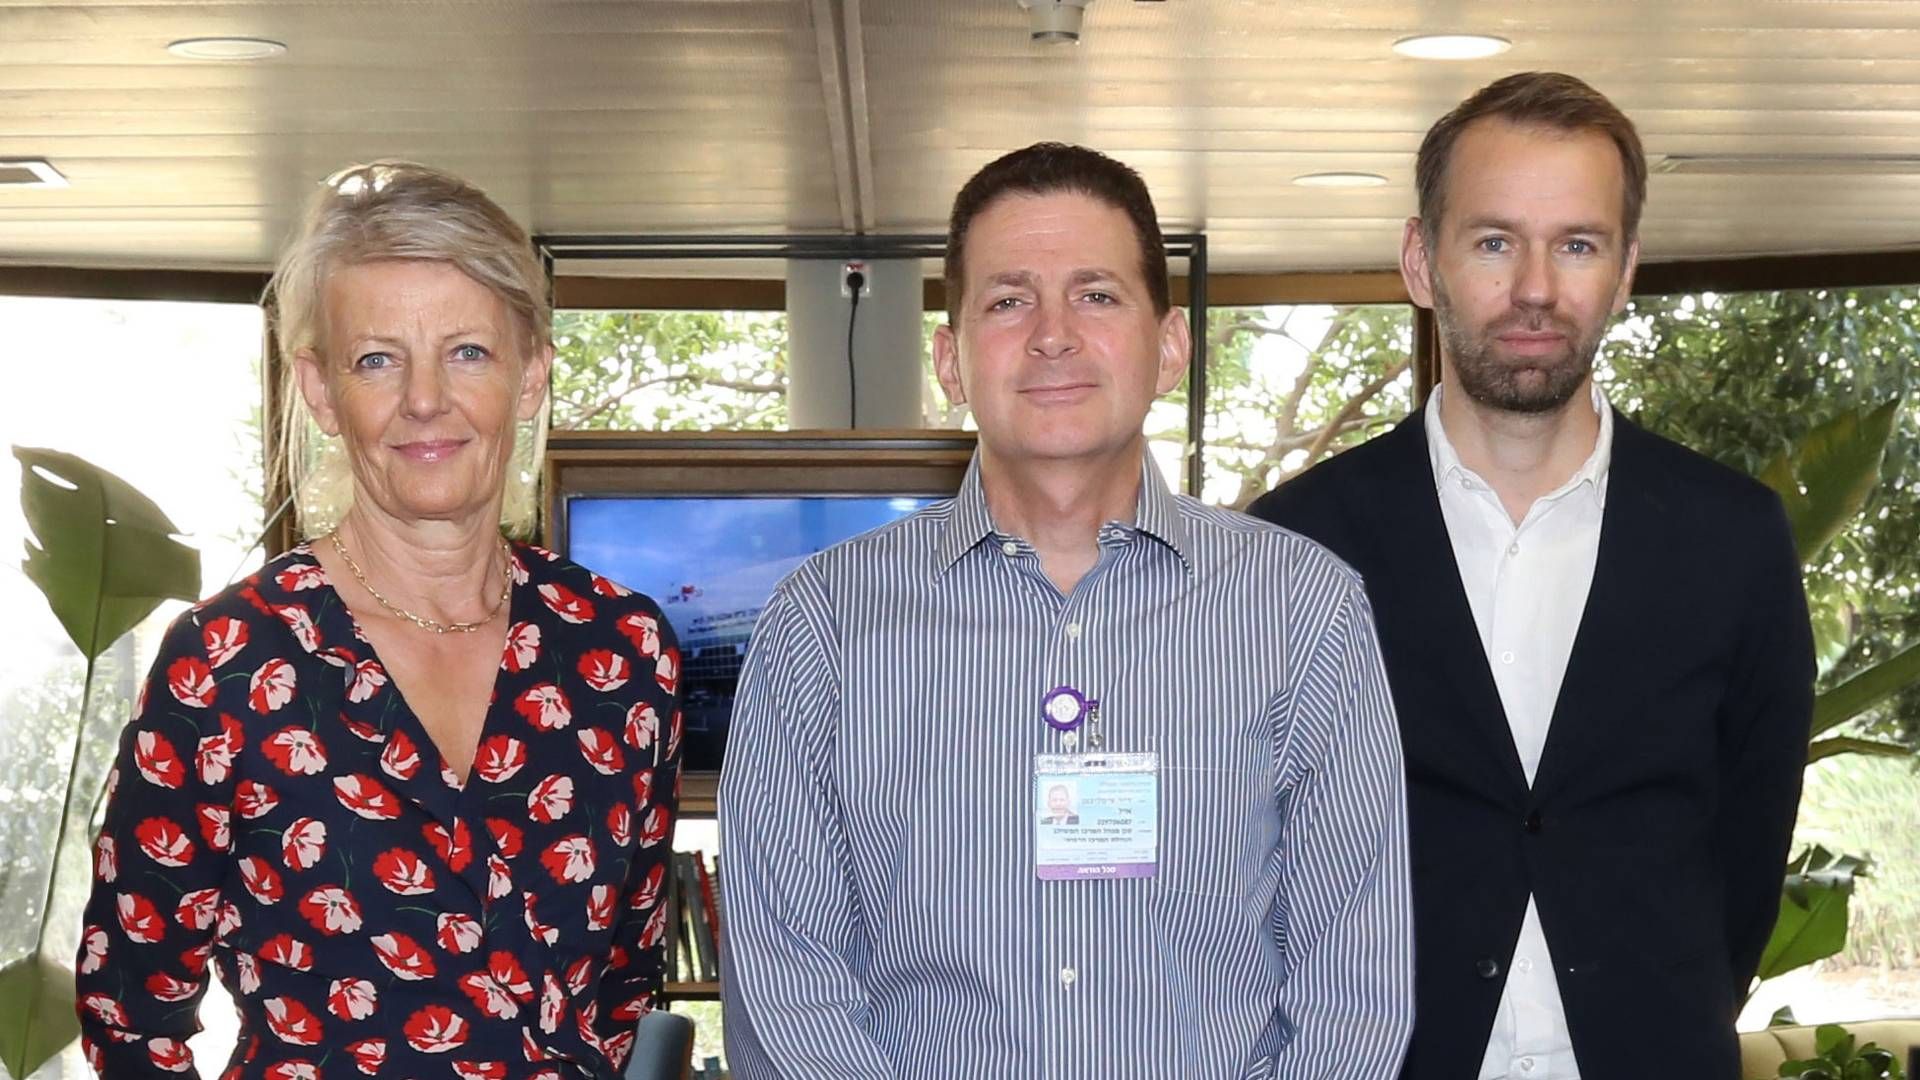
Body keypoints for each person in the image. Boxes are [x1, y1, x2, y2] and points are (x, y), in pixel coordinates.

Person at [719, 142, 1412, 1079]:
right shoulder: (825, 624)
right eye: (1008, 301)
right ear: (951, 361)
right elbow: (782, 976)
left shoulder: (1303, 610)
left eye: (1096, 294)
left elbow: (1354, 984)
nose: (1052, 334)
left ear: (1169, 347)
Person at [1248, 72, 1815, 1079]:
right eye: (1496, 241)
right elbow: (1258, 858)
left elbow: (1746, 853)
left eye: (1579, 244)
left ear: (1627, 268)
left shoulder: (1733, 539)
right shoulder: (1297, 544)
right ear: (1424, 262)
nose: (1538, 290)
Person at [73, 161, 684, 1080]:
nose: (426, 400)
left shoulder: (621, 649)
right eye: (378, 359)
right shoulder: (229, 661)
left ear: (530, 376)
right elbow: (129, 1015)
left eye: (467, 351)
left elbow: (626, 987)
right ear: (321, 391)